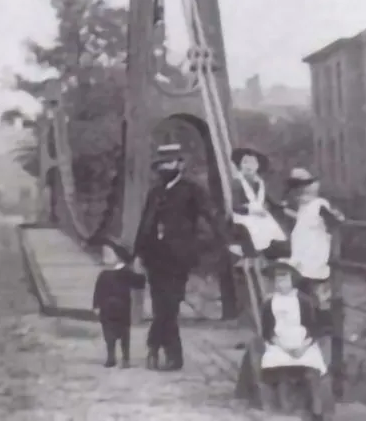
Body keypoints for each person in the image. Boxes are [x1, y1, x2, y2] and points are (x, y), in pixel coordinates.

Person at [133, 143, 225, 371]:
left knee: (170, 305)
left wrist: (227, 239)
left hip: (178, 258)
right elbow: (145, 224)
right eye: (162, 164)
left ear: (180, 165)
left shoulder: (191, 190)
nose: (165, 167)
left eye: (170, 162)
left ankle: (162, 349)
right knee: (160, 306)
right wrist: (138, 254)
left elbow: (210, 215)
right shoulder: (155, 192)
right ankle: (162, 351)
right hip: (154, 257)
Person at [259, 259, 333, 419]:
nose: (281, 284)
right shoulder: (269, 303)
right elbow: (267, 331)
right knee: (275, 365)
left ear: (292, 280)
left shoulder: (304, 301)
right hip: (279, 343)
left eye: (285, 279)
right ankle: (282, 407)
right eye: (278, 280)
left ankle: (317, 409)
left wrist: (303, 347)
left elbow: (313, 328)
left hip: (303, 342)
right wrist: (283, 347)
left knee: (313, 369)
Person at [284, 168, 343, 323]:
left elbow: (333, 220)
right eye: (297, 190)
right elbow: (302, 221)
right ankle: (306, 324)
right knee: (302, 296)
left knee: (318, 297)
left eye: (305, 188)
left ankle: (323, 324)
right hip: (300, 261)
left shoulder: (319, 205)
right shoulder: (302, 209)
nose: (301, 194)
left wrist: (336, 217)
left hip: (314, 261)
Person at [92, 235, 146, 368]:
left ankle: (119, 357)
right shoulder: (112, 273)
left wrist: (96, 305)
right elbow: (98, 291)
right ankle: (118, 357)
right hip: (114, 308)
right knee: (116, 334)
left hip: (115, 308)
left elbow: (138, 283)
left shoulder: (115, 273)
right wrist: (96, 305)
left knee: (117, 334)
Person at [229, 147, 289, 260]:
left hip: (260, 217)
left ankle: (272, 255)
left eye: (253, 163)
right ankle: (252, 254)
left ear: (257, 166)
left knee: (272, 234)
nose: (249, 166)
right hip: (244, 217)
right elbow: (234, 206)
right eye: (245, 162)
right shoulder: (237, 183)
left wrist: (279, 205)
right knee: (253, 235)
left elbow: (267, 199)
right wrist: (251, 211)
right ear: (240, 165)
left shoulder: (259, 183)